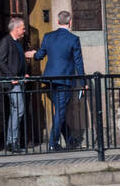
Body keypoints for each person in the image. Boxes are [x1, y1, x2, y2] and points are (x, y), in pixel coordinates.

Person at [26, 9, 85, 151]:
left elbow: (40, 55)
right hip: (64, 80)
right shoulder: (73, 39)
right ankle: (53, 143)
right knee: (60, 111)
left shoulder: (48, 37)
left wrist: (32, 55)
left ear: (58, 22)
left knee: (60, 110)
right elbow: (79, 63)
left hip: (50, 80)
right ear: (70, 22)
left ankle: (70, 140)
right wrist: (83, 83)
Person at [0, 15, 29, 152]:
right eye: (22, 28)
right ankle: (12, 141)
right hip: (12, 83)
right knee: (18, 110)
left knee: (17, 110)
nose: (24, 30)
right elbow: (1, 61)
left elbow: (18, 61)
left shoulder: (17, 42)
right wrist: (11, 77)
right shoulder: (6, 41)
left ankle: (12, 141)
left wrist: (24, 74)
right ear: (16, 28)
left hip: (19, 80)